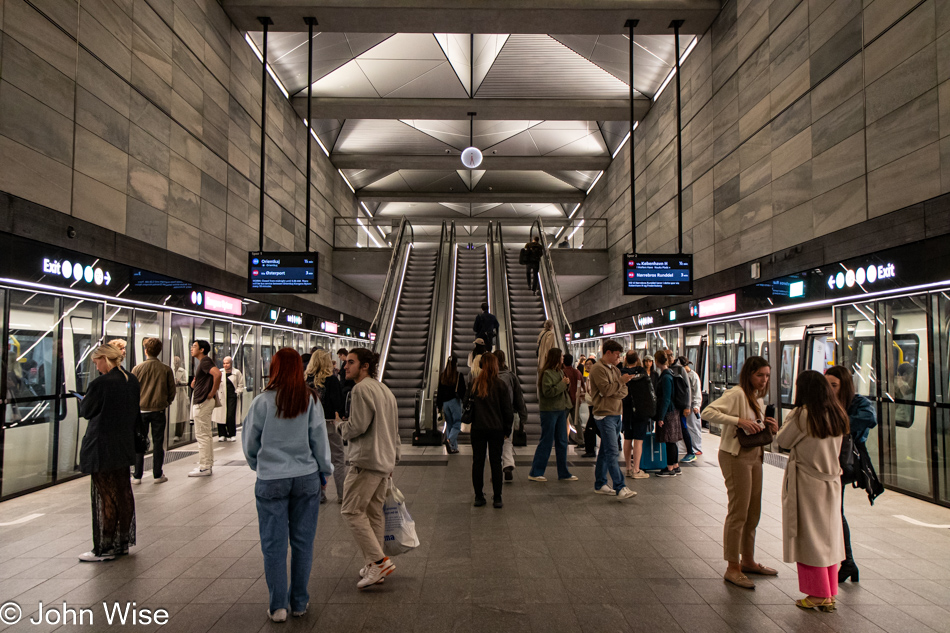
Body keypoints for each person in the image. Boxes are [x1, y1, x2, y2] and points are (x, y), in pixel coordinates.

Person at [243, 348, 333, 622]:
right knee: (303, 543)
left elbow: (250, 444)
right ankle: (299, 602)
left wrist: (261, 466)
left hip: (271, 479)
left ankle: (278, 606)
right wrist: (324, 471)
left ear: (275, 369)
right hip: (305, 478)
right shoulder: (311, 400)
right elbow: (319, 440)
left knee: (274, 544)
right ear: (299, 370)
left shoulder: (261, 402)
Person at [701, 356, 778, 589]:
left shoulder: (756, 397)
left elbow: (752, 423)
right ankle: (732, 567)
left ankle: (749, 560)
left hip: (755, 455)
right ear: (748, 374)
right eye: (759, 375)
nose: (764, 380)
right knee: (738, 512)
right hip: (735, 456)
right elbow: (708, 412)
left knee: (753, 512)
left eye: (767, 376)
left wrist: (766, 425)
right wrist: (738, 421)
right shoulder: (737, 394)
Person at [776, 370, 849, 612]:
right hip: (832, 482)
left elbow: (782, 442)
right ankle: (829, 592)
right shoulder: (837, 412)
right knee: (829, 538)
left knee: (810, 539)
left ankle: (817, 594)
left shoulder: (803, 414)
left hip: (808, 483)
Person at [337, 348, 401, 589]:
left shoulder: (361, 389)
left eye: (351, 362)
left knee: (351, 511)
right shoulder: (385, 390)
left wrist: (340, 427)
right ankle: (375, 567)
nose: (345, 366)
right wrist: (393, 458)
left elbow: (357, 426)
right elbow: (394, 429)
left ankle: (378, 561)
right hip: (383, 461)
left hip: (366, 461)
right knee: (374, 513)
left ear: (364, 366)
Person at [77, 344, 139, 562]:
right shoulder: (131, 380)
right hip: (124, 444)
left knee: (105, 496)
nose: (97, 367)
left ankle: (104, 547)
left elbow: (86, 411)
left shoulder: (101, 383)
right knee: (123, 491)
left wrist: (84, 400)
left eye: (96, 362)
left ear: (105, 358)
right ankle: (122, 542)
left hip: (101, 445)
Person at [825, 365, 877, 584]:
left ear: (844, 386)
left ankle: (847, 562)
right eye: (826, 385)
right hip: (829, 461)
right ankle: (847, 562)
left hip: (846, 463)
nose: (830, 389)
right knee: (835, 510)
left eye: (834, 385)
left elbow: (869, 419)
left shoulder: (858, 403)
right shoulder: (824, 402)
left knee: (836, 511)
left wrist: (837, 424)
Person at [588, 340, 637, 500]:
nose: (619, 358)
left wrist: (616, 387)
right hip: (604, 415)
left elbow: (623, 392)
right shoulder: (597, 369)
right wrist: (620, 383)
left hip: (616, 414)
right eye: (617, 355)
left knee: (604, 450)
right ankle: (620, 487)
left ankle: (600, 483)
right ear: (608, 352)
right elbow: (606, 390)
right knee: (612, 451)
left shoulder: (615, 370)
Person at [469, 353, 514, 508]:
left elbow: (467, 405)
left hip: (478, 429)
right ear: (495, 366)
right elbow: (507, 410)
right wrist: (507, 430)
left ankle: (479, 496)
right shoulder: (501, 385)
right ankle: (497, 498)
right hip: (496, 429)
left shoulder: (474, 384)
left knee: (478, 462)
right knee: (496, 462)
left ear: (481, 365)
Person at [131, 337, 176, 484]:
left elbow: (132, 391)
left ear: (145, 351)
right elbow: (172, 391)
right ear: (159, 351)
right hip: (159, 411)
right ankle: (157, 474)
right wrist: (165, 402)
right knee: (158, 443)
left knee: (139, 442)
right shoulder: (166, 369)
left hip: (141, 411)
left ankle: (137, 475)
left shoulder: (137, 369)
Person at [528, 348, 577, 482]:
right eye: (561, 357)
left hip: (561, 409)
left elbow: (562, 388)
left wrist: (566, 384)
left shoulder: (559, 371)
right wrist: (563, 384)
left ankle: (563, 472)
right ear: (555, 358)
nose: (562, 359)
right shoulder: (547, 373)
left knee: (562, 441)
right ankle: (536, 471)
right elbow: (548, 392)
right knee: (547, 441)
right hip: (549, 410)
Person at [306, 350, 348, 504]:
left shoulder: (305, 380)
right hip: (329, 423)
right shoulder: (331, 379)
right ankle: (342, 495)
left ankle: (319, 495)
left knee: (315, 459)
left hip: (308, 425)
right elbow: (338, 403)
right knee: (337, 459)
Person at [189, 340, 221, 477]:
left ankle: (205, 467)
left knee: (202, 435)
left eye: (194, 346)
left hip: (203, 403)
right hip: (204, 401)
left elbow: (218, 374)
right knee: (206, 435)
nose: (192, 348)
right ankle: (207, 464)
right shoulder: (203, 363)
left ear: (202, 350)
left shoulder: (205, 362)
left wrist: (212, 393)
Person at [495, 350, 527, 482]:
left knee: (494, 442)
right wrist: (523, 415)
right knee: (507, 441)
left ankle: (496, 466)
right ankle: (508, 465)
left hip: (493, 414)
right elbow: (518, 397)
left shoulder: (489, 376)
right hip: (509, 413)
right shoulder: (511, 376)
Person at [653, 350, 684, 478]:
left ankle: (669, 468)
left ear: (657, 361)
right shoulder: (670, 373)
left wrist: (661, 417)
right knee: (673, 440)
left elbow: (666, 398)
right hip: (673, 410)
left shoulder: (666, 377)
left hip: (668, 412)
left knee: (669, 440)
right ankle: (675, 466)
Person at [620, 351, 650, 479]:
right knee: (638, 440)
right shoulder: (642, 372)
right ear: (638, 359)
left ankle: (627, 468)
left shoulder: (621, 372)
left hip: (626, 408)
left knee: (627, 438)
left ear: (626, 359)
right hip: (640, 409)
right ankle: (636, 470)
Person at [437, 355, 466, 454]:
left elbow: (439, 392)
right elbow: (463, 391)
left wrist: (439, 406)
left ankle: (453, 447)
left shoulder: (442, 376)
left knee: (449, 424)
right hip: (454, 402)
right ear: (456, 364)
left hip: (445, 403)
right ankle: (449, 440)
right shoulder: (458, 375)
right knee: (457, 423)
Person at [669, 357, 696, 462]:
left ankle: (691, 452)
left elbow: (687, 389)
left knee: (683, 428)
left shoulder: (680, 370)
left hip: (679, 405)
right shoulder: (666, 369)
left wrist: (687, 406)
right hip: (672, 406)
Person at [213, 356, 245, 443]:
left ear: (231, 363)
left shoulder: (237, 372)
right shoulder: (220, 372)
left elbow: (241, 384)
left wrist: (237, 392)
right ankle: (222, 434)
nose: (225, 365)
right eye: (224, 363)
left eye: (227, 363)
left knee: (230, 415)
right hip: (221, 396)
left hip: (232, 396)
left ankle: (232, 434)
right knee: (221, 415)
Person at [562, 353, 583, 448]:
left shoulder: (562, 372)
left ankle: (564, 439)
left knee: (563, 421)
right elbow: (582, 385)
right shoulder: (577, 372)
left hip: (565, 401)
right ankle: (581, 440)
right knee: (577, 421)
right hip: (576, 399)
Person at [581, 357, 598, 457]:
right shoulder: (589, 376)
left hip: (594, 405)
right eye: (586, 364)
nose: (588, 366)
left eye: (590, 364)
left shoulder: (594, 376)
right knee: (594, 428)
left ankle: (590, 450)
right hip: (591, 405)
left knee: (590, 429)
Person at [171, 356, 189, 441]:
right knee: (175, 414)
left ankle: (178, 433)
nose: (176, 364)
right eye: (175, 362)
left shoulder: (183, 371)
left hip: (181, 395)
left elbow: (186, 382)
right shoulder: (170, 370)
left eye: (177, 362)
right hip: (173, 395)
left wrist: (179, 382)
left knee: (180, 414)